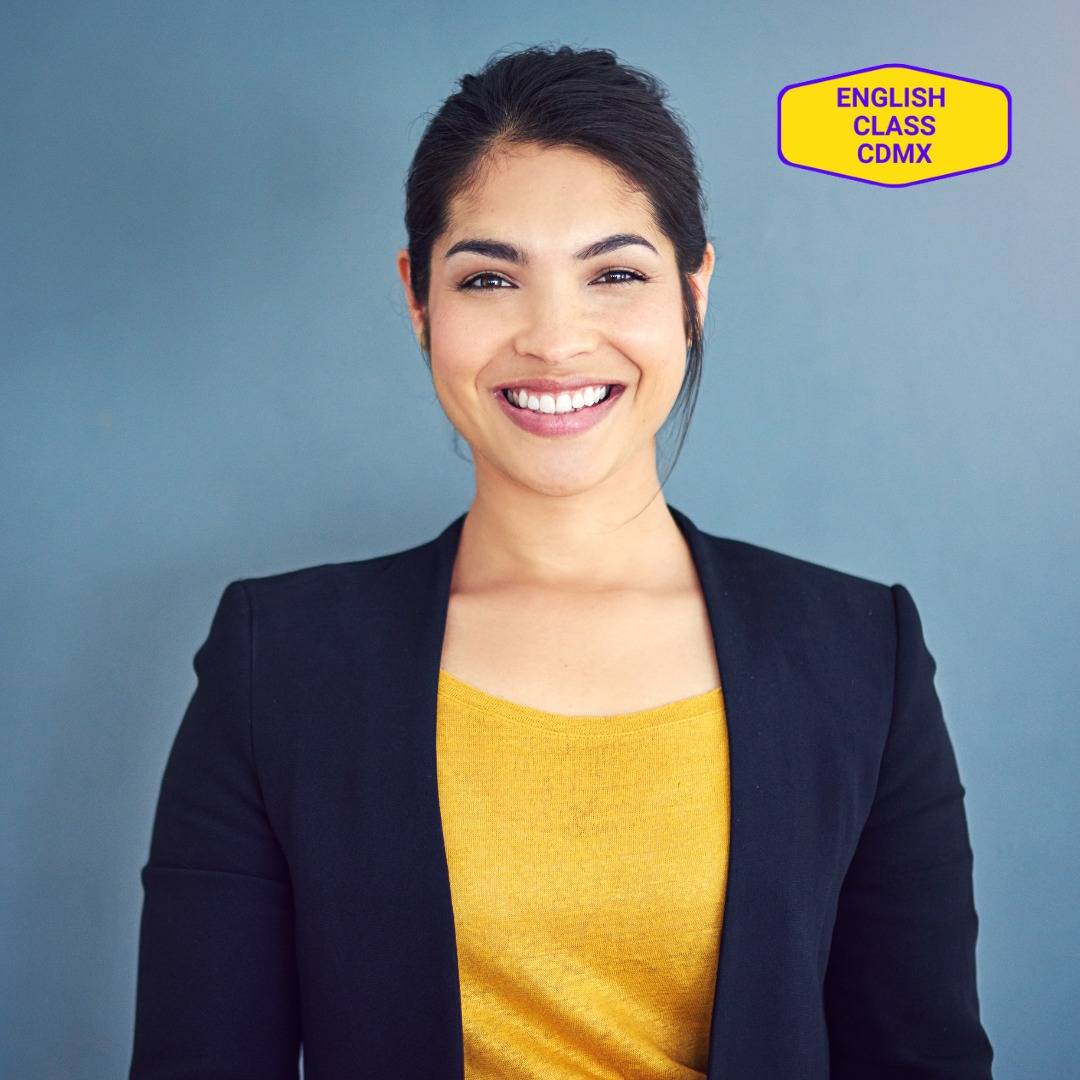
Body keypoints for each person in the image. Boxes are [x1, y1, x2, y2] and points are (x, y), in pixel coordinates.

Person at [129, 45, 994, 1079]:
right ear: (418, 299)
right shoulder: (278, 661)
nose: (553, 338)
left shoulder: (862, 655)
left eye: (615, 274)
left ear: (693, 289)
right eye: (490, 278)